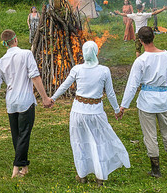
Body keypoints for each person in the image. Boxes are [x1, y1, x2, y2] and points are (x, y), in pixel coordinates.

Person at [0, 30, 53, 178]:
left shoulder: (1, 62)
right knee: (24, 135)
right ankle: (16, 169)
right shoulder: (26, 54)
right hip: (25, 101)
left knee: (17, 136)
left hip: (11, 103)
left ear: (4, 44)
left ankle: (24, 168)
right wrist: (45, 98)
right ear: (15, 40)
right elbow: (35, 76)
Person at [50, 41, 130, 185]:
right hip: (96, 112)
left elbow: (65, 85)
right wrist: (117, 110)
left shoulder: (77, 69)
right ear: (96, 52)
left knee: (79, 142)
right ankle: (100, 177)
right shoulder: (104, 70)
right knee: (99, 142)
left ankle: (82, 175)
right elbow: (110, 93)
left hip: (78, 112)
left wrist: (53, 99)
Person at [119, 26, 167, 178]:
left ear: (140, 41)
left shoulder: (141, 60)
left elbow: (133, 84)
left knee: (150, 135)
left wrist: (123, 105)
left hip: (147, 101)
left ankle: (156, 170)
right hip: (163, 99)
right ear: (154, 37)